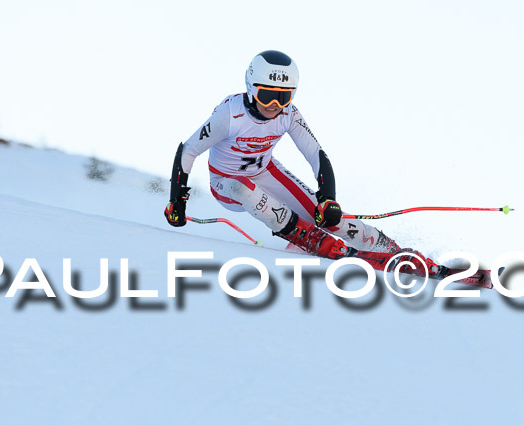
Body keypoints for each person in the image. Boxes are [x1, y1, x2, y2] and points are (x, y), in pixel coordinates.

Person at [164, 50, 444, 277]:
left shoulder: (289, 115)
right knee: (241, 188)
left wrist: (328, 199)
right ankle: (304, 236)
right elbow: (188, 150)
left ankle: (393, 252)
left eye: (283, 97)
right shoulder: (229, 114)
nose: (274, 105)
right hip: (226, 182)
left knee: (330, 219)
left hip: (266, 171)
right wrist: (177, 200)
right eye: (266, 95)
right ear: (251, 89)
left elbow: (316, 155)